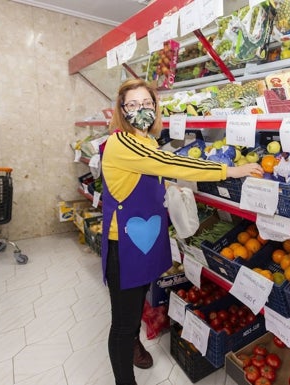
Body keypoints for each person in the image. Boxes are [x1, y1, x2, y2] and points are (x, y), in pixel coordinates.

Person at [100, 78, 263, 385]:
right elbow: (172, 163)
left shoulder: (145, 141)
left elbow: (148, 174)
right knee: (122, 324)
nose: (141, 111)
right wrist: (231, 170)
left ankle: (134, 340)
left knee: (134, 309)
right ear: (121, 111)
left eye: (146, 104)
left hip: (143, 240)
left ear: (155, 107)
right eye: (132, 105)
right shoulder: (122, 143)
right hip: (124, 244)